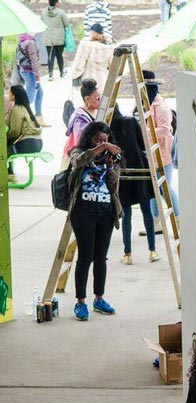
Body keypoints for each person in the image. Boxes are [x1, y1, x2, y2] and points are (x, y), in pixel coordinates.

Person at [65, 121, 123, 321]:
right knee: (85, 257)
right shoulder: (78, 151)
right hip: (83, 213)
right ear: (89, 138)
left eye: (105, 140)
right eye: (98, 140)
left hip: (105, 212)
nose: (102, 143)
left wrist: (110, 167)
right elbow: (77, 162)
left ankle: (99, 298)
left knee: (101, 258)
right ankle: (80, 302)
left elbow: (115, 186)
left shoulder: (110, 156)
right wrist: (101, 148)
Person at [110, 106, 159, 265]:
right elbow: (143, 144)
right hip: (140, 167)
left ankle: (128, 254)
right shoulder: (131, 121)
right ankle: (152, 251)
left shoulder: (107, 127)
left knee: (126, 215)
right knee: (147, 212)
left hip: (122, 171)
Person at [142, 70, 178, 232]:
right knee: (152, 188)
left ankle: (178, 218)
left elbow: (165, 129)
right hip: (146, 154)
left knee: (165, 189)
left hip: (161, 154)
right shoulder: (141, 105)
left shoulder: (161, 106)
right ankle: (156, 222)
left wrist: (143, 132)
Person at [5, 85, 43, 182]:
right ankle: (10, 174)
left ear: (14, 96)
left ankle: (10, 175)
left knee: (4, 149)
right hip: (38, 143)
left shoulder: (16, 109)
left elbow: (14, 131)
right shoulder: (26, 108)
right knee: (8, 146)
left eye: (10, 92)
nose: (8, 94)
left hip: (28, 144)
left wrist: (4, 137)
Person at [14, 34, 48, 127]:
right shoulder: (31, 42)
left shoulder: (22, 40)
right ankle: (20, 121)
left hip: (24, 69)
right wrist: (37, 79)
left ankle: (39, 119)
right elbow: (34, 61)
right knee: (29, 98)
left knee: (39, 94)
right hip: (30, 72)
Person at [71, 23, 114, 92]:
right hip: (103, 81)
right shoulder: (109, 47)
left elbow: (78, 65)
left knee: (88, 101)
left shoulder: (85, 45)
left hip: (88, 83)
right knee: (103, 101)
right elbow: (113, 66)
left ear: (91, 33)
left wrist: (75, 76)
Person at [65, 79, 100, 158]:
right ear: (87, 99)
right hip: (80, 157)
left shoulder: (95, 111)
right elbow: (80, 142)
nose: (100, 101)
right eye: (97, 98)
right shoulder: (80, 118)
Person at [41, 0, 70, 81]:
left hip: (48, 38)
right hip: (59, 38)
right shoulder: (61, 12)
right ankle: (61, 73)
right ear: (56, 3)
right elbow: (67, 24)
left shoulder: (43, 12)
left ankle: (50, 75)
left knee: (50, 56)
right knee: (59, 56)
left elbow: (41, 23)